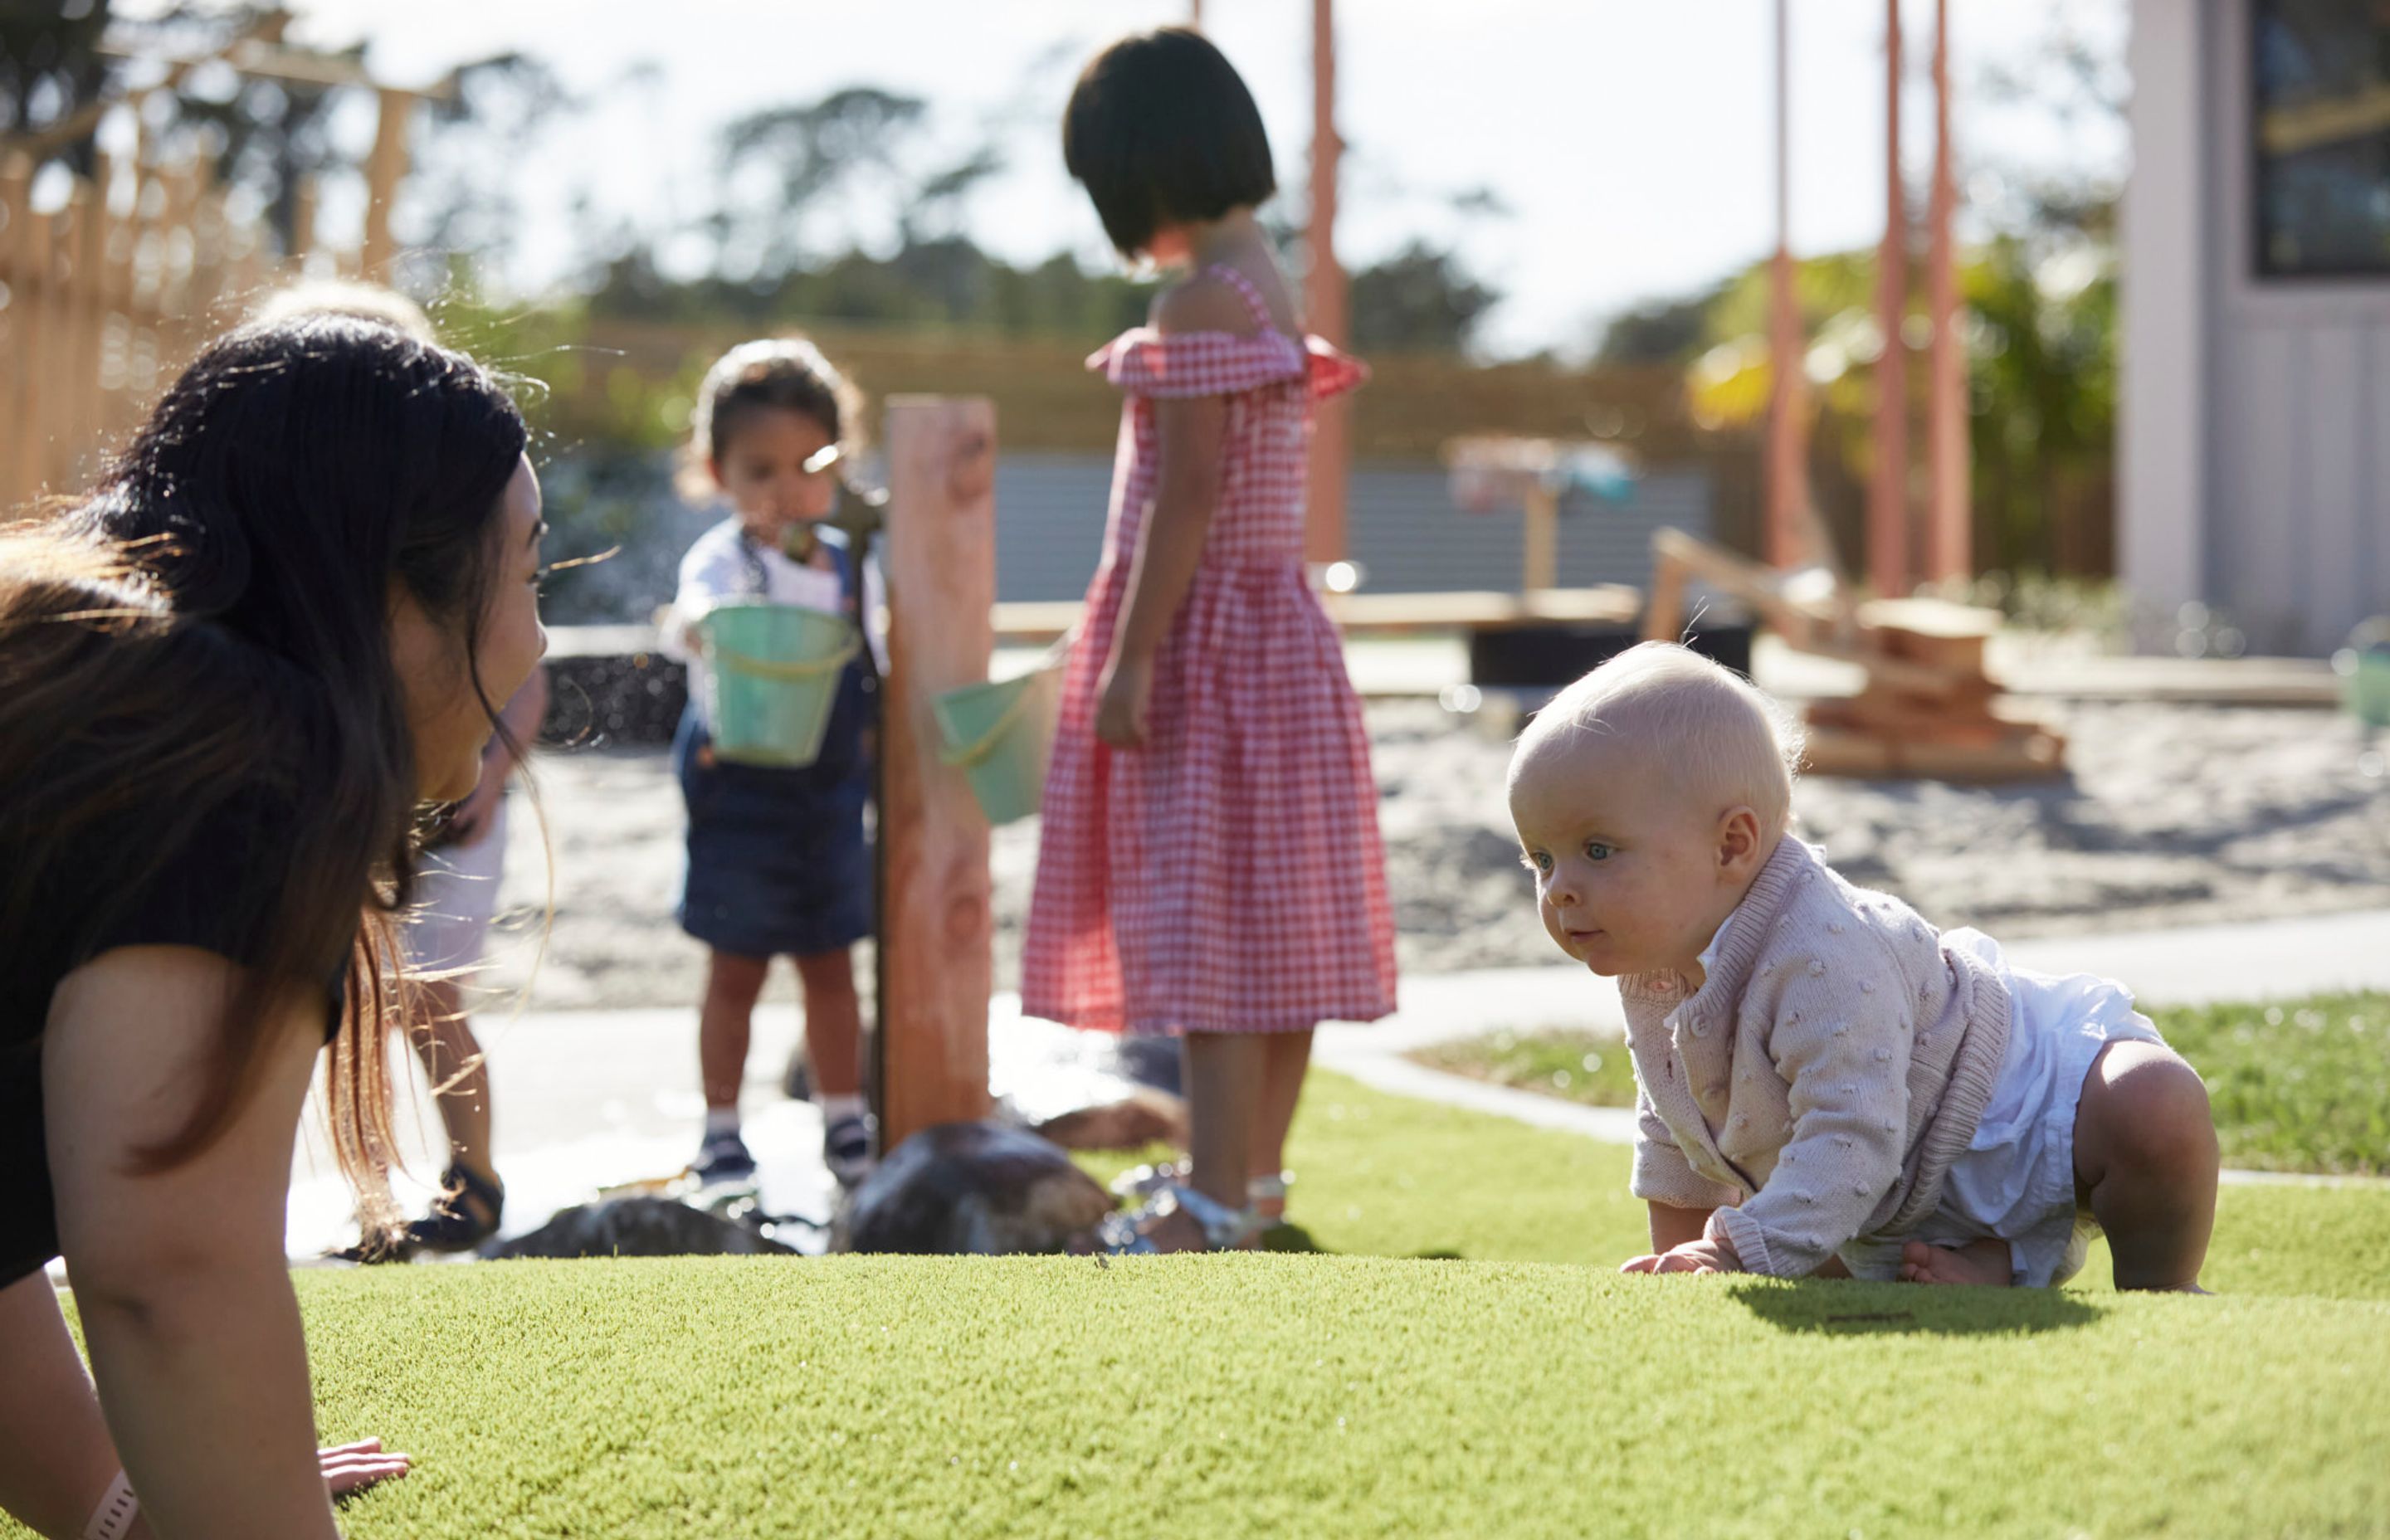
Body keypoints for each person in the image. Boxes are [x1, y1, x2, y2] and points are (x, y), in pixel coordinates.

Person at [0, 314, 547, 1535]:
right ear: (391, 591)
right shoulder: (241, 766)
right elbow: (167, 1269)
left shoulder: (106, 694)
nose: (539, 634)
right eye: (526, 572)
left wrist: (123, 1507)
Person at [1505, 642, 2221, 1289]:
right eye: (1541, 859)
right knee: (1831, 1249)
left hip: (2015, 1110)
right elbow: (1675, 1126)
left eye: (1598, 851)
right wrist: (1680, 1265)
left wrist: (1730, 1252)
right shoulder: (1656, 965)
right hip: (1898, 1183)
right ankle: (1987, 1264)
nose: (1560, 888)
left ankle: (2162, 1293)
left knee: (2153, 1104)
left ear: (1731, 845)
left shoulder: (1820, 950)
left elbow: (1853, 1131)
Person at [1022, 27, 1399, 1253]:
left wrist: (1130, 660)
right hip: (1275, 634)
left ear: (1140, 166)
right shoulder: (1267, 281)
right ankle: (1259, 1188)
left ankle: (1216, 1198)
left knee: (1209, 934)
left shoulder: (1195, 301)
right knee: (1271, 928)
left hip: (1204, 643)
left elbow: (1185, 497)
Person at [251, 278, 541, 1259]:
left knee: (425, 996)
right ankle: (369, 1191)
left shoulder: (459, 520)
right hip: (375, 806)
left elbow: (523, 670)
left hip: (450, 812)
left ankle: (476, 1174)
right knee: (351, 1001)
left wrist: (487, 778)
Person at [661, 338, 878, 1189]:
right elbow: (691, 618)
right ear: (718, 472)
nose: (783, 489)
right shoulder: (722, 560)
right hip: (739, 781)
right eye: (759, 469)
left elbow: (874, 657)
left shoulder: (849, 567)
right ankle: (721, 1124)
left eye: (804, 465)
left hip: (824, 791)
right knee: (735, 962)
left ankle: (845, 1114)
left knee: (830, 962)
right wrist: (704, 622)